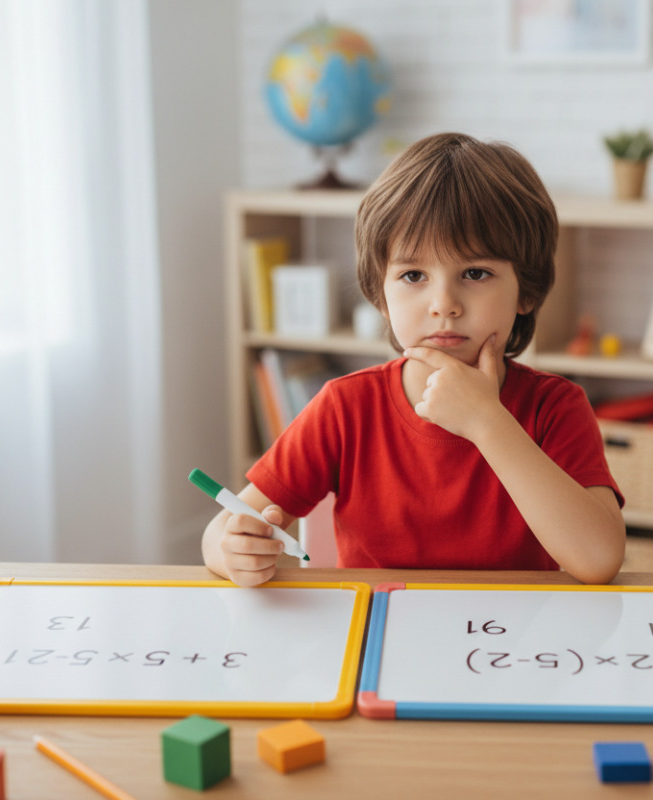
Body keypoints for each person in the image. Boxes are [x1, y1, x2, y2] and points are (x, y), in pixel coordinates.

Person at [203, 132, 625, 586]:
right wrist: (232, 551)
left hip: (506, 647)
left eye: (476, 273)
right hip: (380, 638)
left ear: (528, 290)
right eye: (413, 275)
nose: (443, 303)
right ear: (379, 295)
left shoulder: (555, 408)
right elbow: (220, 531)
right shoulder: (345, 407)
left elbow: (598, 559)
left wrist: (487, 422)